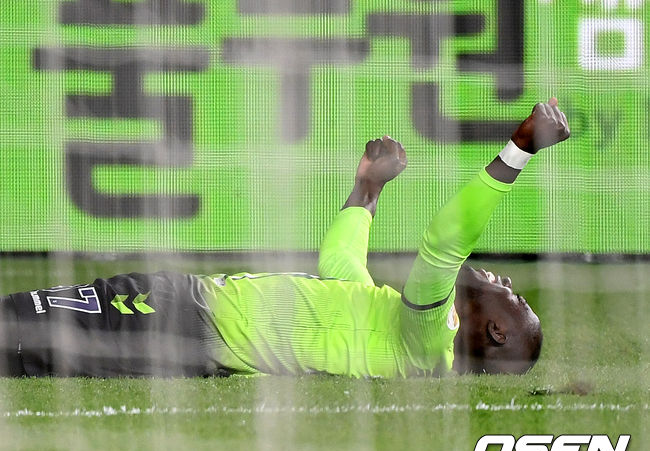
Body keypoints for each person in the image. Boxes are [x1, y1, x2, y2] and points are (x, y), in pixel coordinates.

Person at [0, 99, 569, 378]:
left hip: (184, 321)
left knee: (21, 327)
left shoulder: (429, 336)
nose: (508, 283)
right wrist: (367, 189)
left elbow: (444, 243)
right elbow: (339, 265)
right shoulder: (397, 329)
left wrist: (520, 148)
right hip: (187, 313)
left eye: (516, 298)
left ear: (495, 331)